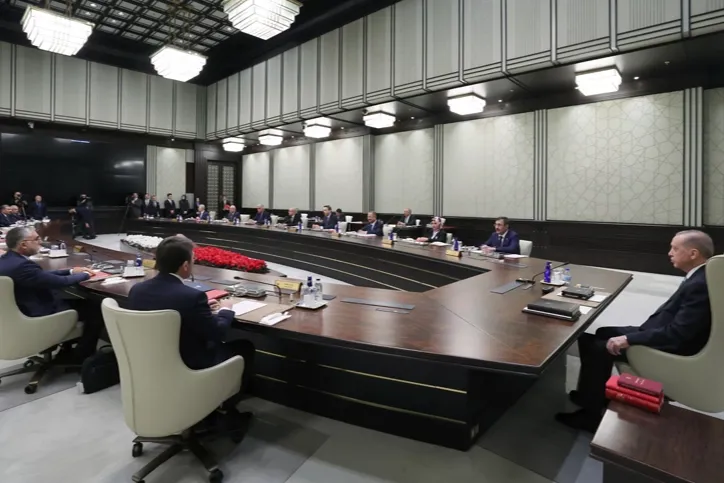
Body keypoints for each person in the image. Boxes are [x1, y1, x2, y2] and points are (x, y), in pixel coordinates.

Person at [556, 230, 714, 432]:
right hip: (660, 331)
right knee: (598, 333)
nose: (669, 253)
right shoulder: (701, 276)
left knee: (599, 348)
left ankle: (590, 416)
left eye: (675, 248)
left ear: (693, 254)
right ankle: (590, 395)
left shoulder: (700, 284)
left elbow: (678, 334)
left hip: (669, 346)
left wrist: (629, 339)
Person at [127, 236, 255, 401]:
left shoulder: (137, 290)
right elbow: (217, 333)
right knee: (245, 347)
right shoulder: (192, 297)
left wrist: (201, 309)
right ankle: (224, 406)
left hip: (149, 360)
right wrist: (225, 309)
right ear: (185, 265)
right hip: (188, 363)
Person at [0, 227, 101, 362]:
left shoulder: (7, 260)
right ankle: (81, 356)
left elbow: (41, 276)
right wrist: (86, 274)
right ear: (23, 244)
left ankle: (66, 349)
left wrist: (71, 271)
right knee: (95, 307)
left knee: (74, 299)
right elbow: (60, 282)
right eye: (36, 239)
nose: (40, 242)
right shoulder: (23, 266)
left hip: (18, 313)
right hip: (37, 314)